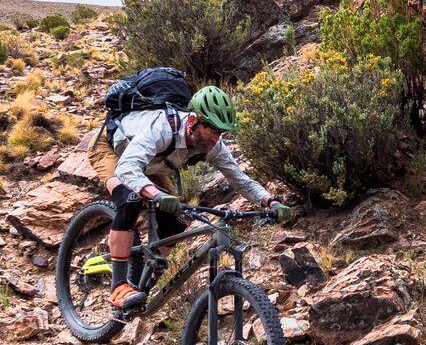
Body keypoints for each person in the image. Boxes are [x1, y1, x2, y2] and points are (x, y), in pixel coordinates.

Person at [106, 84, 291, 310]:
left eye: (220, 132)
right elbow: (126, 169)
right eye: (212, 130)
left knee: (176, 218)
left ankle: (148, 275)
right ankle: (118, 286)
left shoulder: (213, 145)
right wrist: (154, 193)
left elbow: (240, 180)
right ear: (194, 122)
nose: (215, 138)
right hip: (113, 152)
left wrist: (270, 201)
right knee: (130, 199)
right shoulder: (162, 128)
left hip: (151, 166)